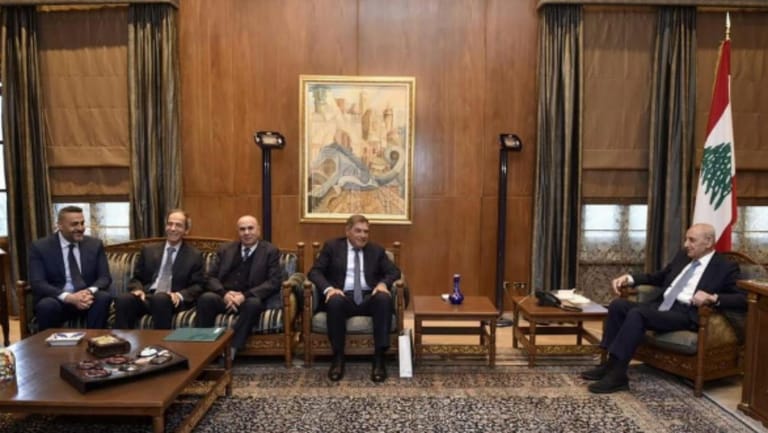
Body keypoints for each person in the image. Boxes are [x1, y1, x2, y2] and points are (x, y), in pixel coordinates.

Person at [582, 223, 746, 394]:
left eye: (692, 240)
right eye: (686, 239)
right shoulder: (683, 257)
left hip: (684, 313)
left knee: (638, 314)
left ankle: (618, 376)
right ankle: (609, 364)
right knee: (618, 305)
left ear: (709, 242)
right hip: (661, 305)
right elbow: (659, 277)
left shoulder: (725, 267)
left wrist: (713, 298)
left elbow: (742, 298)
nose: (686, 244)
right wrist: (630, 279)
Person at [308, 214, 401, 383]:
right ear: (347, 231)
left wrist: (383, 284)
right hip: (343, 296)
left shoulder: (376, 250)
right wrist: (329, 289)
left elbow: (394, 272)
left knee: (383, 298)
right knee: (334, 301)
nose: (363, 235)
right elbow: (314, 272)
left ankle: (379, 358)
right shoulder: (332, 247)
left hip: (369, 296)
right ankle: (338, 358)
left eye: (366, 231)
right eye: (358, 231)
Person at [196, 215, 283, 358]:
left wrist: (244, 296)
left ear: (258, 230)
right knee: (206, 299)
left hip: (249, 298)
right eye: (242, 229)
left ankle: (231, 348)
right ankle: (204, 348)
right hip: (225, 296)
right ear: (238, 232)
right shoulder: (226, 249)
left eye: (250, 228)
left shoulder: (270, 251)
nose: (246, 233)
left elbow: (274, 281)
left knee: (254, 304)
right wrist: (224, 294)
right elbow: (209, 277)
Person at [114, 209, 205, 330]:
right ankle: (121, 340)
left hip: (172, 301)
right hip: (147, 297)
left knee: (160, 299)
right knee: (123, 299)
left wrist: (180, 295)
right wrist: (138, 289)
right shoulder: (148, 250)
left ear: (186, 230)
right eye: (170, 224)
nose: (173, 228)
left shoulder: (194, 255)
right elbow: (136, 278)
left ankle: (161, 342)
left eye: (178, 225)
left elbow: (198, 285)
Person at [29, 205, 113, 331]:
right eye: (74, 224)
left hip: (87, 299)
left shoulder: (95, 245)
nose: (80, 228)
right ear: (60, 226)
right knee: (46, 305)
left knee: (103, 298)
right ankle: (49, 343)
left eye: (82, 223)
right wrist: (69, 297)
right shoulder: (40, 247)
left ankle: (94, 339)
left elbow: (105, 277)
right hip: (58, 299)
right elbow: (38, 283)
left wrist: (88, 292)